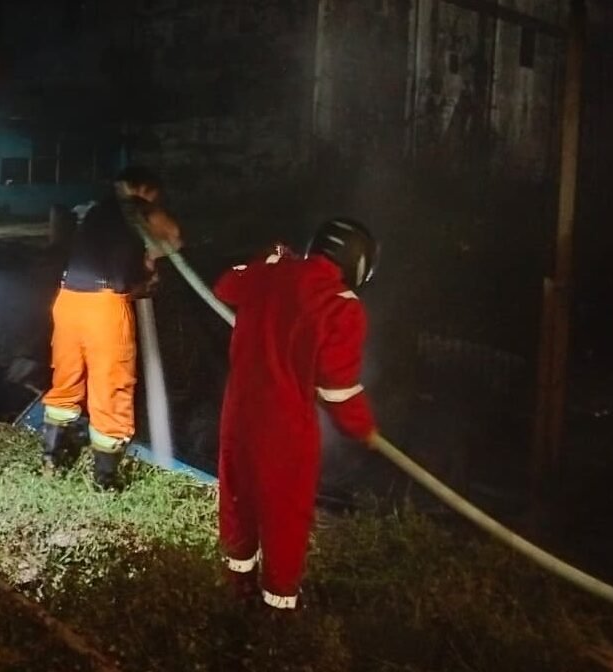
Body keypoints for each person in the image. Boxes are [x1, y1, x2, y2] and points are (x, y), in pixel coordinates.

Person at [214, 218, 381, 611]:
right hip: (286, 430)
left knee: (239, 504)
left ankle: (238, 594)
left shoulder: (272, 274)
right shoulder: (341, 304)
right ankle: (279, 612)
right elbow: (337, 389)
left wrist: (269, 259)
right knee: (284, 517)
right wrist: (364, 430)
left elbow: (226, 285)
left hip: (238, 417)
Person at [40, 166, 182, 489]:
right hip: (103, 307)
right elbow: (173, 238)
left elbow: (120, 254)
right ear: (144, 189)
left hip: (68, 300)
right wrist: (155, 258)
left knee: (66, 378)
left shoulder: (98, 211)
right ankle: (105, 478)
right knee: (112, 386)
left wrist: (142, 266)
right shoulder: (138, 208)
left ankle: (52, 457)